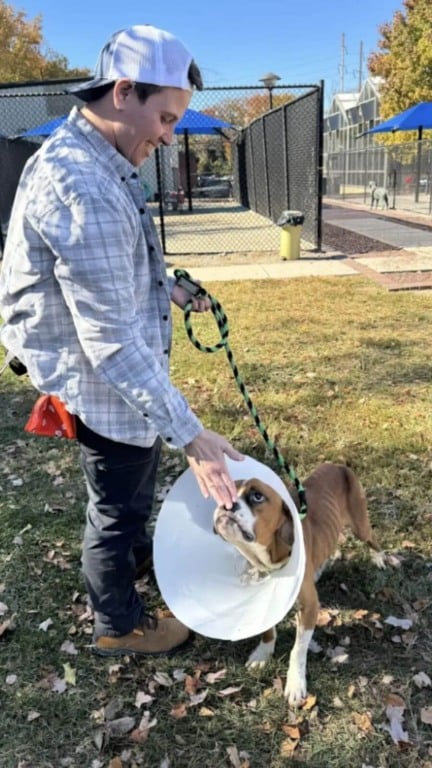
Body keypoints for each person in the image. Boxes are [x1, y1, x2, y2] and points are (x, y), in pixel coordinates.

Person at [0, 24, 243, 657]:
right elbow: (108, 342)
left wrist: (170, 287)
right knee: (116, 502)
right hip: (98, 375)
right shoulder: (80, 184)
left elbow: (123, 263)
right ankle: (117, 623)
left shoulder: (105, 160)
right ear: (124, 92)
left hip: (118, 371)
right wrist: (191, 433)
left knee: (135, 476)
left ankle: (133, 569)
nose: (167, 135)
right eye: (163, 117)